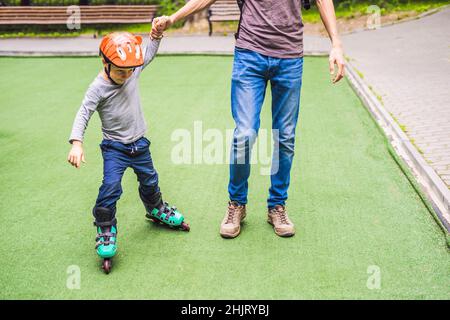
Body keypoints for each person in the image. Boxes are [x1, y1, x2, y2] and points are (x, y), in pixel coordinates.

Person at [152, 0, 346, 238]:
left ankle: (277, 205)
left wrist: (336, 43)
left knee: (285, 137)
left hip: (290, 58)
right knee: (244, 134)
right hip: (249, 55)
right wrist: (173, 18)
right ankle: (237, 204)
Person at [67, 31, 189, 273]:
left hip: (140, 143)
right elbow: (84, 113)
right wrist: (76, 142)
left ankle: (155, 208)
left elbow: (148, 55)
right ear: (105, 62)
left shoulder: (130, 69)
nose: (126, 76)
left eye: (130, 71)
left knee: (150, 179)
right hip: (115, 148)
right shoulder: (97, 88)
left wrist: (155, 36)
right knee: (111, 186)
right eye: (120, 72)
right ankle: (105, 228)